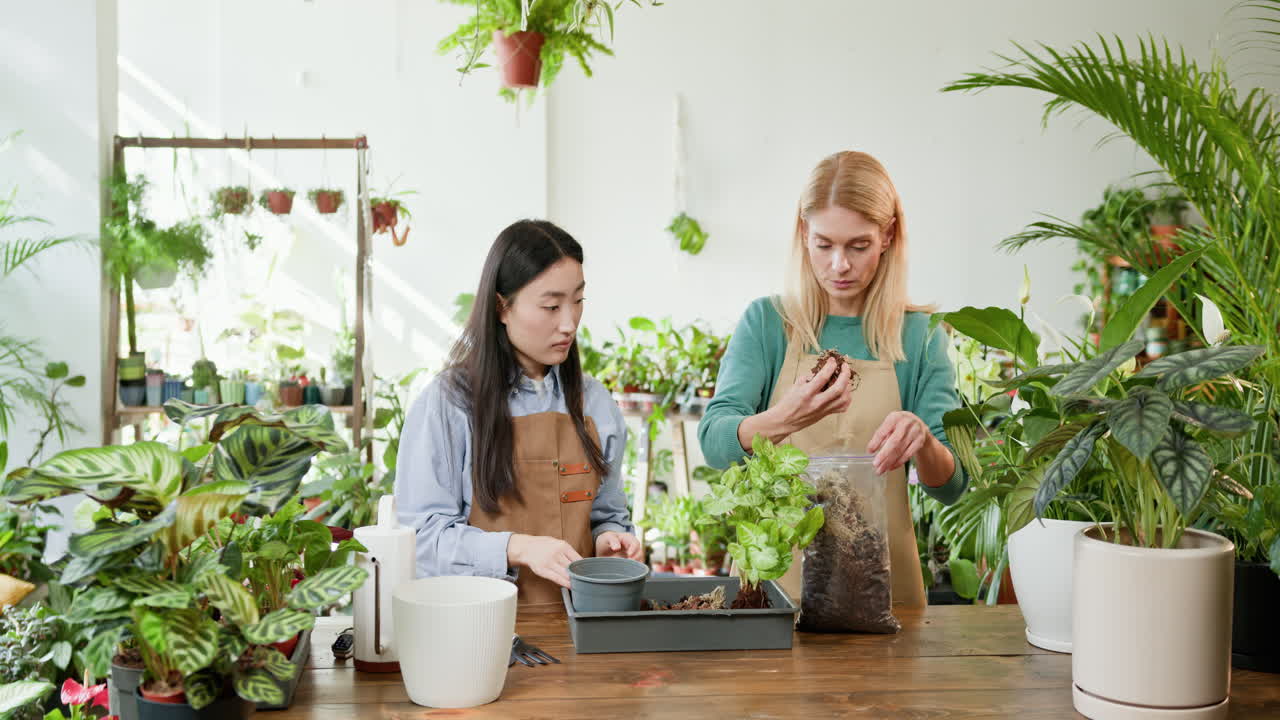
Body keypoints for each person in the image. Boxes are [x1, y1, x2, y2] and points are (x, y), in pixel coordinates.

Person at [697, 151, 968, 608]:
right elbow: (713, 441)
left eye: (858, 246)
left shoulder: (919, 336)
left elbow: (952, 485)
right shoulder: (768, 323)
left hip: (881, 594)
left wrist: (922, 439)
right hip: (776, 591)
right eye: (824, 244)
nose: (840, 265)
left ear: (888, 236)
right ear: (803, 234)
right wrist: (784, 419)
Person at [395, 219, 642, 611]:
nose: (569, 323)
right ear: (501, 307)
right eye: (551, 306)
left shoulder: (596, 403)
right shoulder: (448, 403)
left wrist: (609, 539)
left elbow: (607, 515)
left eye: (578, 300)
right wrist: (518, 547)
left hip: (579, 627)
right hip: (477, 627)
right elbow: (422, 539)